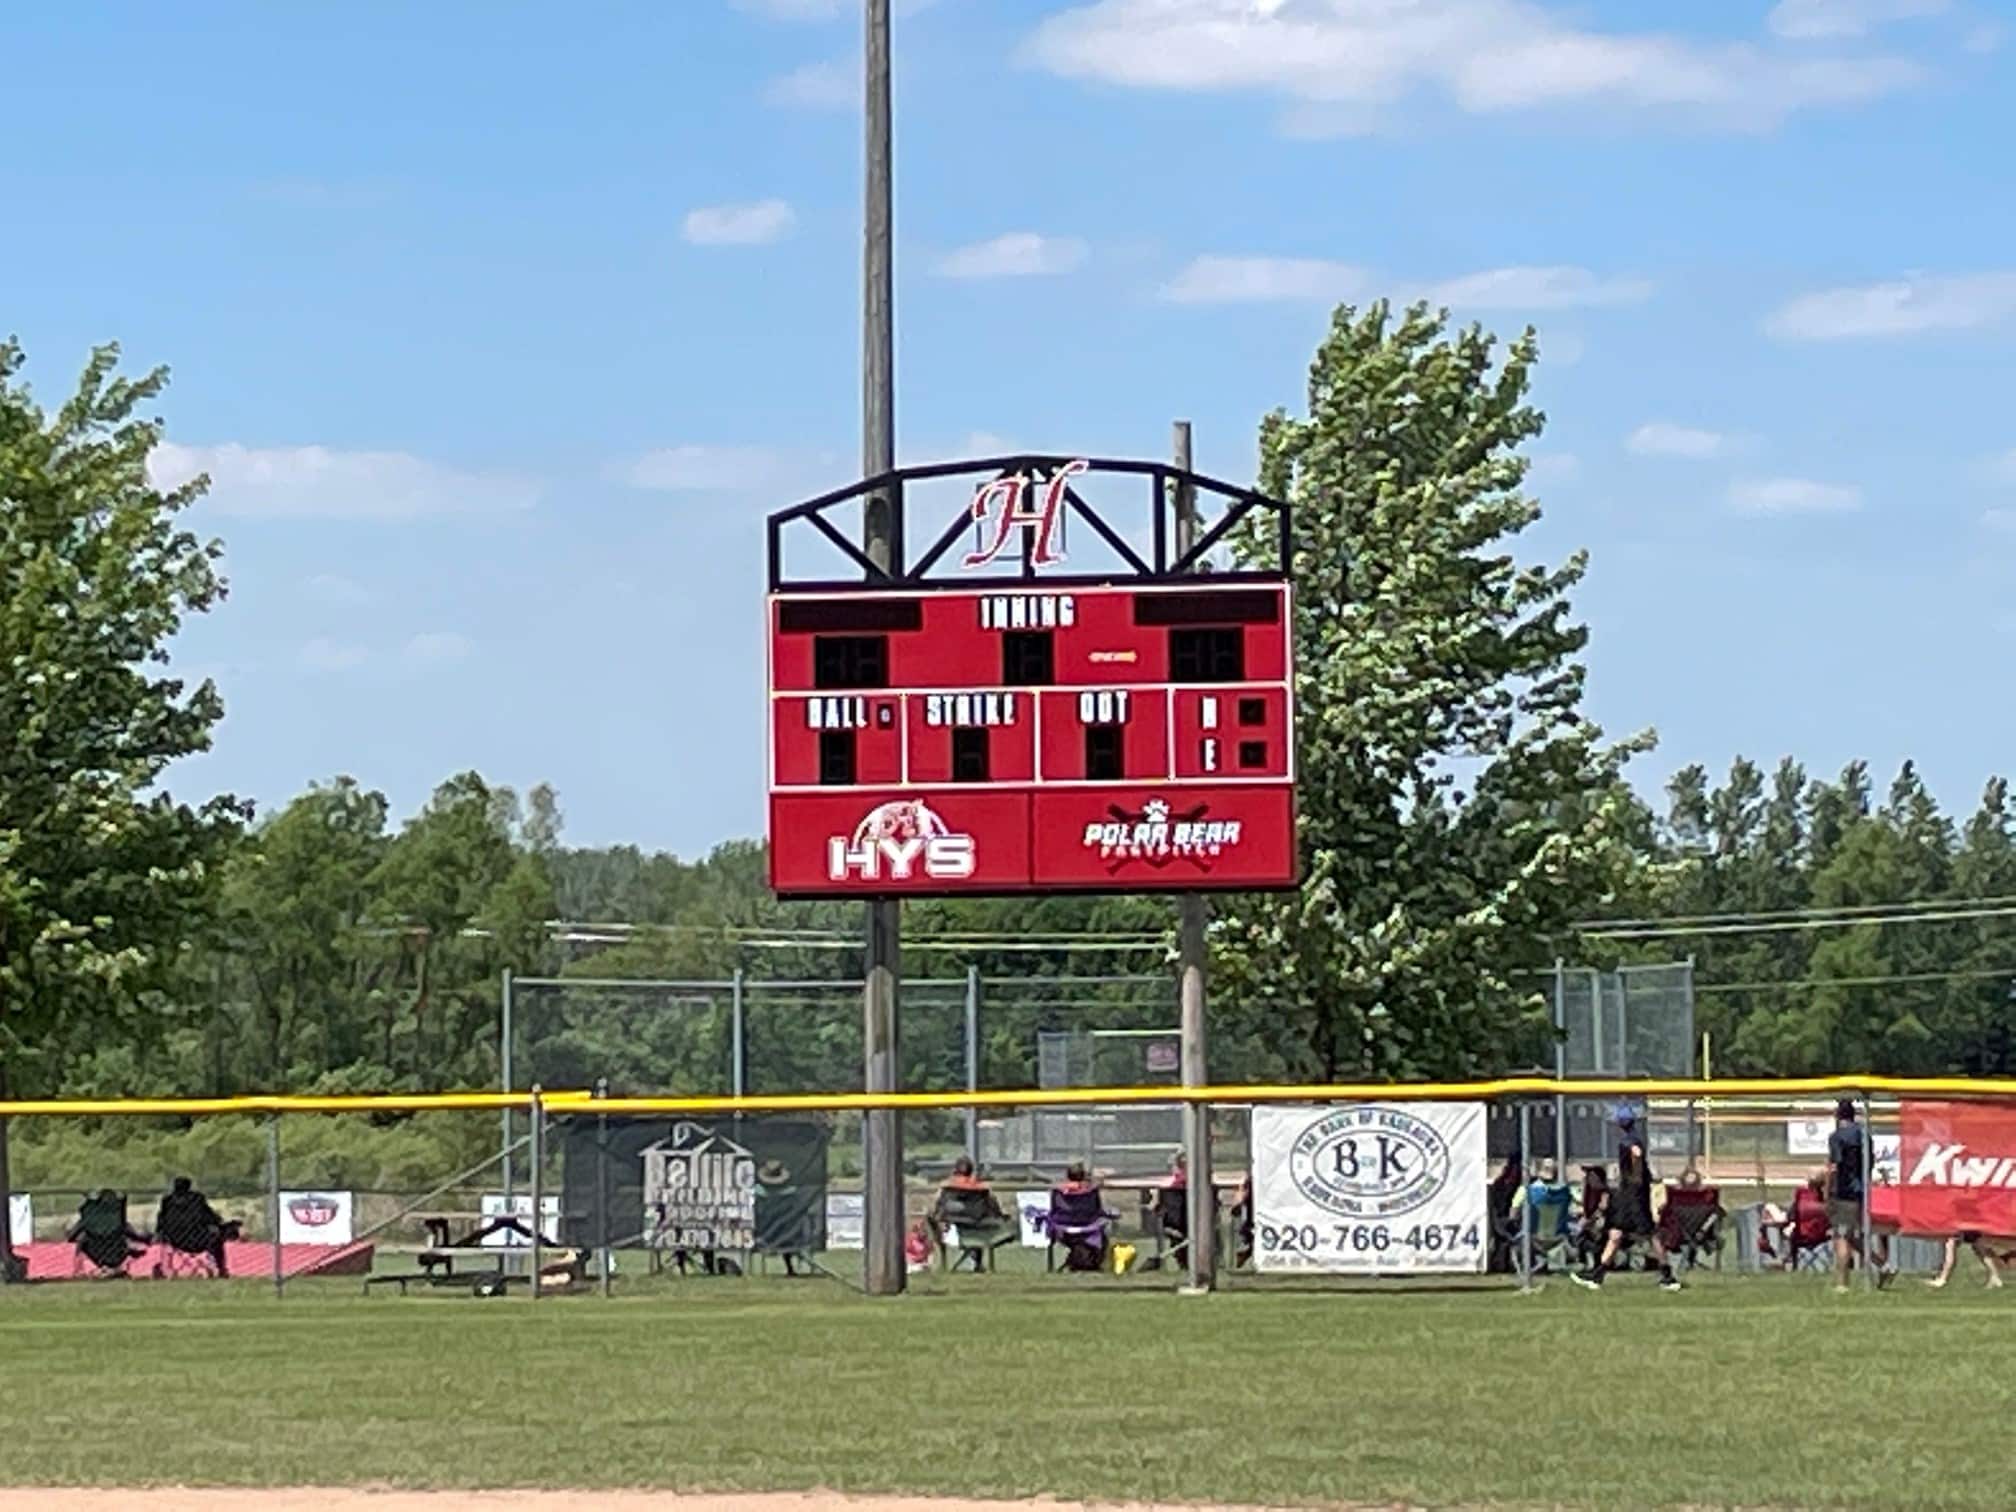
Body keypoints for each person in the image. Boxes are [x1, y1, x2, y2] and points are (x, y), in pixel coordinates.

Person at [1573, 1108, 1682, 1293]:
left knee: (1650, 1235)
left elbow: (1636, 1153)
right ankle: (1597, 1276)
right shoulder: (1632, 1138)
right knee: (1616, 1234)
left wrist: (1635, 1175)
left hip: (1633, 1196)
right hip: (1629, 1195)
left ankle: (1668, 1277)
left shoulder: (1629, 1140)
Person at [1826, 1099, 1893, 1292]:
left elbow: (1835, 1167)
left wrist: (1827, 1191)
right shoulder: (1864, 1135)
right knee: (1852, 1236)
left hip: (1844, 1192)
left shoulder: (1837, 1137)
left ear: (1838, 1115)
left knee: (1841, 1236)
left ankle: (1842, 1284)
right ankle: (1883, 1265)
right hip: (1861, 1191)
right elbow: (1870, 1162)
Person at [154, 1176, 238, 1278]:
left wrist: (160, 1232)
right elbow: (209, 1216)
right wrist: (219, 1222)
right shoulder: (197, 1199)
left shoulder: (167, 1201)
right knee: (217, 1241)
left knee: (166, 1241)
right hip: (198, 1240)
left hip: (175, 1241)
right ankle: (221, 1269)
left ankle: (166, 1269)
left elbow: (161, 1221)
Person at [1927, 1231, 2005, 1290]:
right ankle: (1995, 1276)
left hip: (1957, 1224)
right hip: (1968, 1222)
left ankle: (1942, 1279)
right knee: (1978, 1247)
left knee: (1950, 1245)